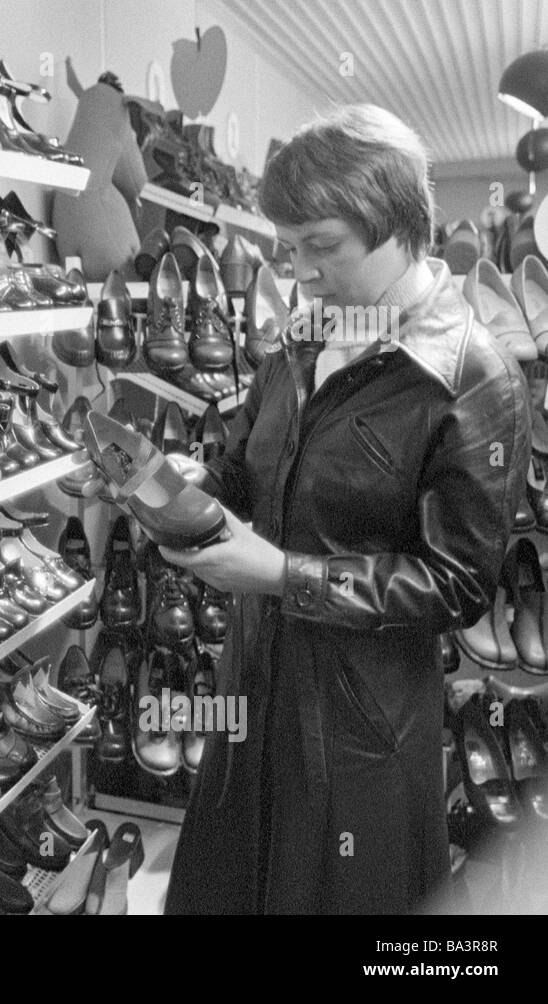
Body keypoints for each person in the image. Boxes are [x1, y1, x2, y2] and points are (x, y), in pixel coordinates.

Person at [160, 104, 531, 914]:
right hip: (253, 687)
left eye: (320, 246)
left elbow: (458, 585)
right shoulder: (302, 340)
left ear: (399, 229)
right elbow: (247, 469)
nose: (300, 272)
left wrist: (284, 575)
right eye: (288, 249)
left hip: (361, 725)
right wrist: (182, 484)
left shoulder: (473, 376)